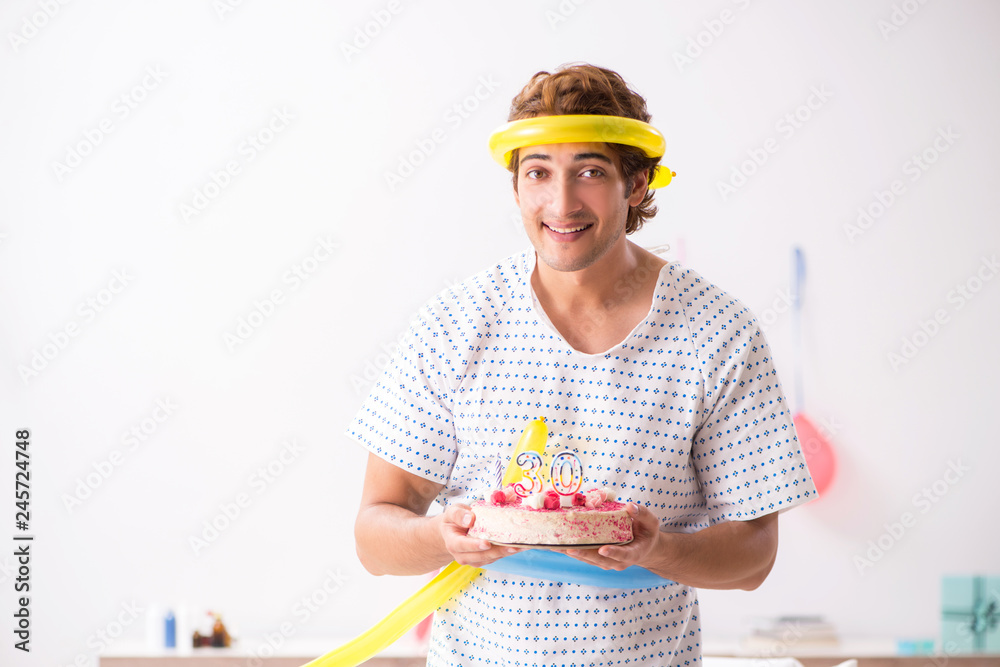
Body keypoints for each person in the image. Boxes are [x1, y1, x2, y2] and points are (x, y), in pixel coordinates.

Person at [349, 63, 817, 667]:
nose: (561, 202)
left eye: (590, 172)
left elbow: (754, 558)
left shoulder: (718, 335)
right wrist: (444, 537)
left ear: (639, 183)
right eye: (539, 173)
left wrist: (655, 548)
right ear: (516, 186)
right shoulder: (454, 324)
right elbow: (374, 538)